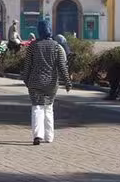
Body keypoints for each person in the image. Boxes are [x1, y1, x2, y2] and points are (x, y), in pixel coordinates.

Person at [21, 17, 72, 145]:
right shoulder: (56, 46)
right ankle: (49, 136)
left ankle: (38, 135)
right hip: (51, 83)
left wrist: (26, 80)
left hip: (35, 82)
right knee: (49, 108)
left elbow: (27, 65)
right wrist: (67, 82)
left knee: (37, 107)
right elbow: (62, 66)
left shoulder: (33, 46)